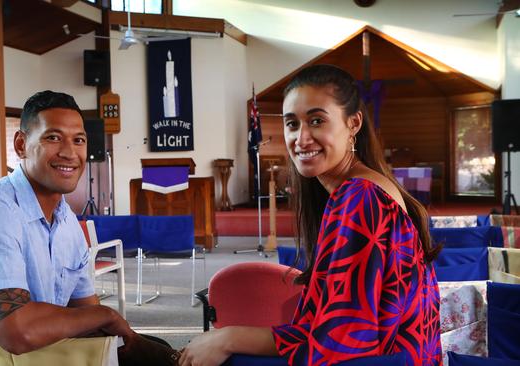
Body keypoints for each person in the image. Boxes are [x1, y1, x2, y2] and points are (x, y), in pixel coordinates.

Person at [179, 64, 442, 366]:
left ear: (353, 123)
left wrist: (230, 337)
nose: (301, 138)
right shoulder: (359, 190)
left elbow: (338, 343)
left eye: (316, 120)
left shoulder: (361, 198)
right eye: (292, 124)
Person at [0, 90, 178, 365]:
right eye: (53, 138)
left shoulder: (67, 222)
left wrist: (144, 346)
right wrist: (108, 316)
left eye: (78, 140)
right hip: (0, 357)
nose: (69, 152)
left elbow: (84, 312)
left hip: (48, 351)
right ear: (21, 145)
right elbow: (16, 332)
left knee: (154, 352)